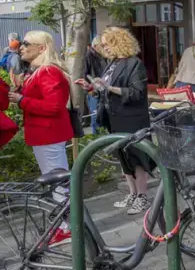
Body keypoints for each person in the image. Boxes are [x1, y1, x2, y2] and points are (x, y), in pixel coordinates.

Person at [77, 27, 154, 215]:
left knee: (137, 155)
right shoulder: (110, 63)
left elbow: (136, 93)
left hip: (132, 117)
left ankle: (142, 196)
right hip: (114, 116)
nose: (105, 48)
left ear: (119, 42)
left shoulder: (134, 64)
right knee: (122, 155)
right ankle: (132, 193)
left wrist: (109, 88)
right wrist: (91, 88)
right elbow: (105, 89)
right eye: (103, 45)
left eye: (107, 44)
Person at [9, 31, 73, 245]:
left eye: (27, 44)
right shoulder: (40, 71)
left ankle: (67, 228)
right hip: (45, 133)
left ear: (42, 48)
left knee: (58, 181)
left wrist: (21, 100)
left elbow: (54, 106)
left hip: (48, 133)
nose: (21, 47)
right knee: (57, 180)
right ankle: (66, 225)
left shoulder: (47, 71)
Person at [83, 36, 106, 133]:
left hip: (102, 90)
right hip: (94, 91)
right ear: (96, 46)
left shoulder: (101, 55)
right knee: (96, 117)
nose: (105, 47)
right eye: (102, 45)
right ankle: (97, 140)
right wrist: (90, 90)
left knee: (102, 117)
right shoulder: (88, 56)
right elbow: (84, 74)